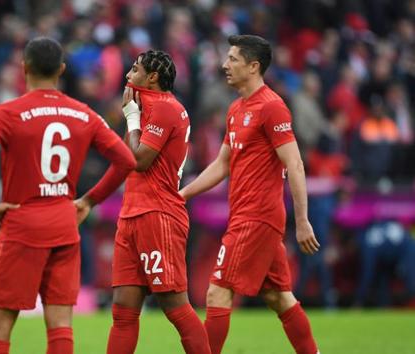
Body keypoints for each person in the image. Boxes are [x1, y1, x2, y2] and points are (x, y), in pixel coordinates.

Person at [0, 37, 136, 354]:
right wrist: (88, 201)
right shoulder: (84, 114)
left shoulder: (7, 112)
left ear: (24, 67)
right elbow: (126, 160)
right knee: (60, 326)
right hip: (64, 227)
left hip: (21, 227)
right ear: (62, 70)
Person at [179, 35, 320, 354]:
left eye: (233, 59)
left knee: (217, 293)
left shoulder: (272, 107)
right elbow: (222, 164)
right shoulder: (236, 109)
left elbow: (295, 164)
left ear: (253, 66)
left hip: (256, 217)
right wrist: (183, 193)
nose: (224, 65)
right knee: (279, 298)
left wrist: (302, 221)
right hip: (246, 216)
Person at [82, 50, 211, 354]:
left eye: (135, 69)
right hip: (133, 214)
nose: (128, 75)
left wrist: (131, 116)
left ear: (152, 77)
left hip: (158, 214)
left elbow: (137, 160)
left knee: (175, 306)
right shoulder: (146, 106)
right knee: (123, 311)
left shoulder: (166, 108)